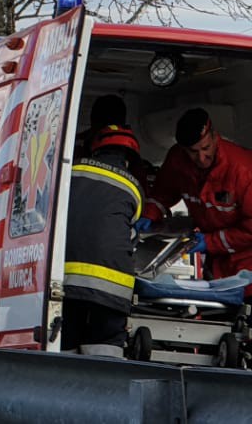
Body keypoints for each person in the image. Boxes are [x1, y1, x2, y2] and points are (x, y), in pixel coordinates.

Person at [140, 108, 252, 368]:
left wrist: (211, 242)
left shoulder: (247, 170)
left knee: (248, 339)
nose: (201, 157)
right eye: (193, 152)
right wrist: (149, 215)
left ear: (215, 137)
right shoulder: (178, 160)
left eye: (206, 148)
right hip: (219, 267)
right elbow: (163, 192)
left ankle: (248, 384)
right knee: (217, 335)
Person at [62, 125, 143, 356]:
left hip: (68, 283)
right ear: (128, 160)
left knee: (65, 344)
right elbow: (129, 233)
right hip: (113, 287)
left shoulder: (70, 172)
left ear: (95, 150)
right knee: (105, 349)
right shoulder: (133, 188)